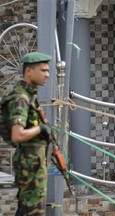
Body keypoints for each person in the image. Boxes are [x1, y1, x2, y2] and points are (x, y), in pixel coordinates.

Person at [7, 52, 53, 215]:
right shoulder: (21, 98)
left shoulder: (30, 95)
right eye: (43, 70)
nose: (47, 74)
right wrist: (40, 129)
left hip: (33, 165)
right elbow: (17, 135)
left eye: (48, 70)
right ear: (28, 72)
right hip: (30, 169)